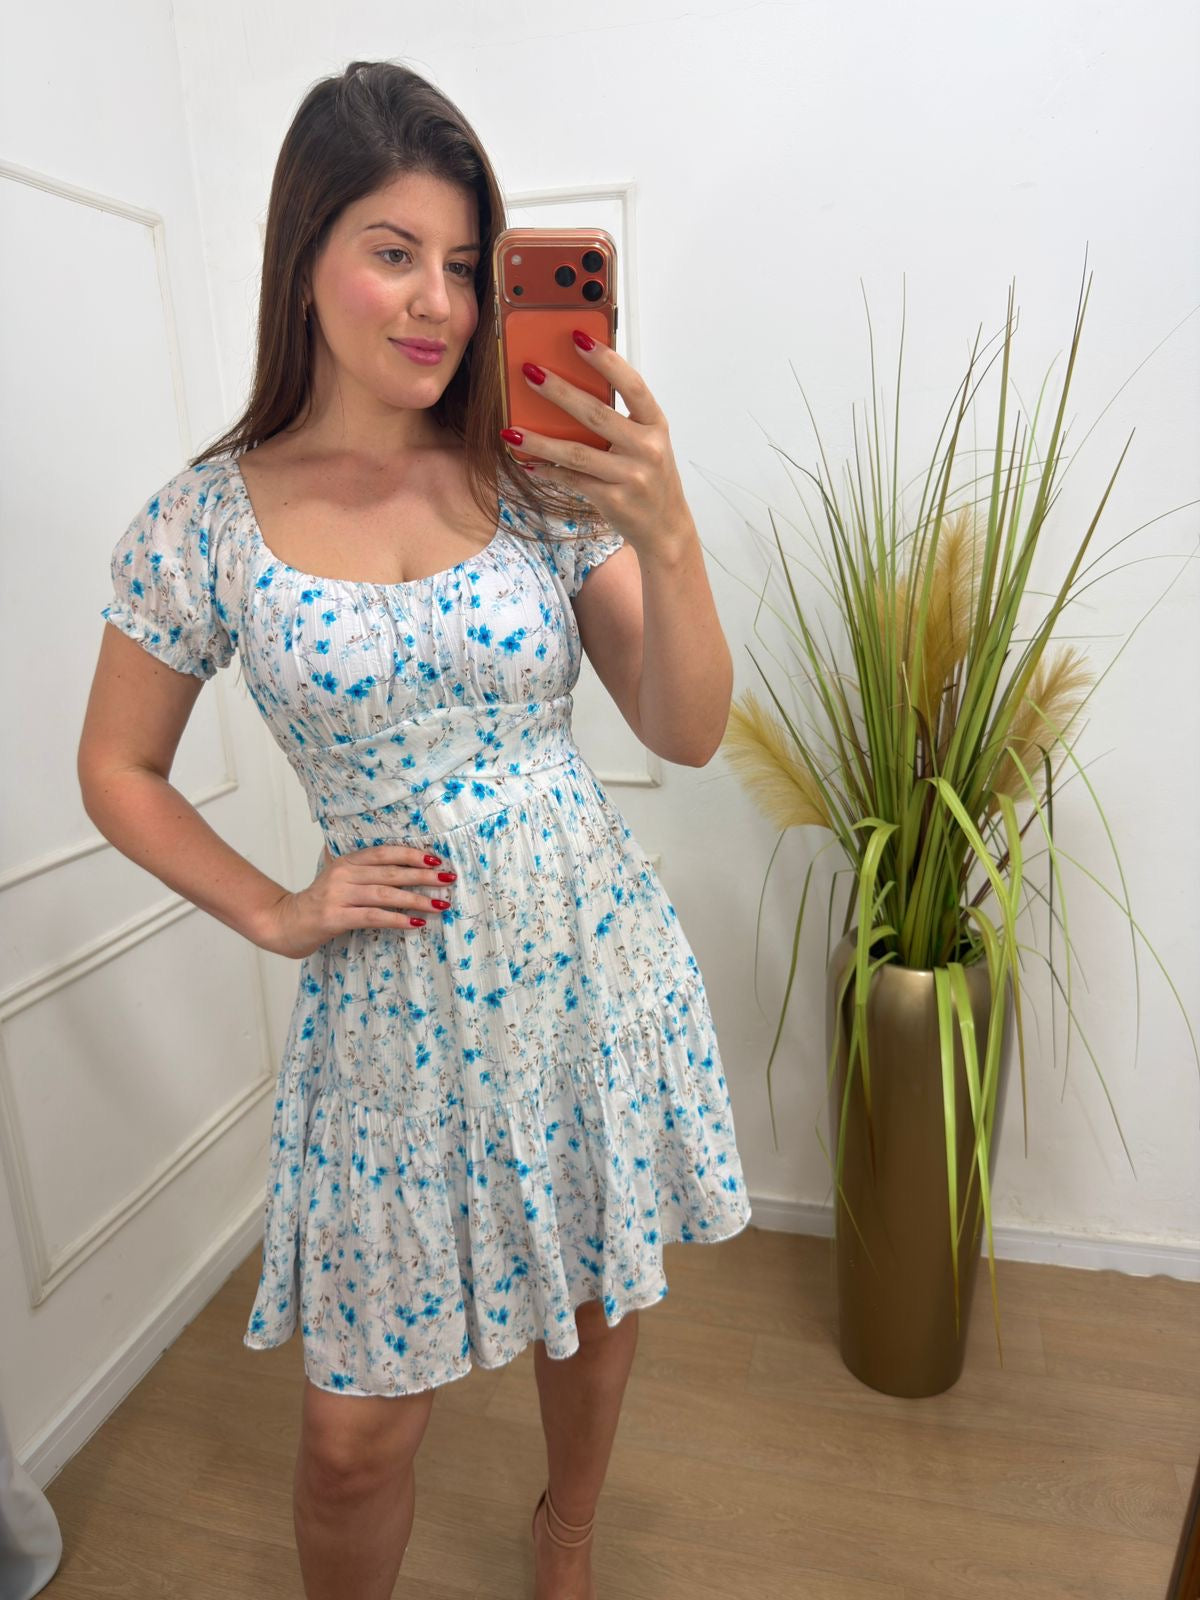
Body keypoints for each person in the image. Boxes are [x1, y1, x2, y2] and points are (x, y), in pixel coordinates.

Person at [77, 57, 752, 1600]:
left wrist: (667, 533)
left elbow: (686, 726)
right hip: (392, 1011)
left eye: (463, 262)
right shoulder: (205, 522)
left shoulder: (533, 475)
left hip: (582, 953)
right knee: (352, 1440)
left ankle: (566, 1529)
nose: (438, 301)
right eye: (394, 252)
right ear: (305, 256)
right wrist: (274, 908)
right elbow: (117, 765)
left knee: (595, 1294)